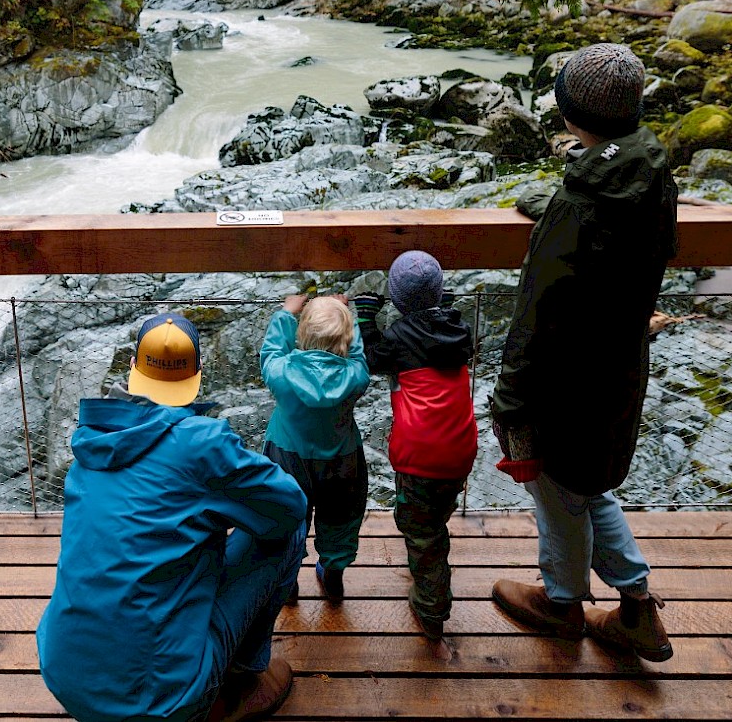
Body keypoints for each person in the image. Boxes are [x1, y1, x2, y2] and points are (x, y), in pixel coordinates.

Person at [489, 42, 681, 662]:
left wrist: (509, 398)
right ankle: (637, 607)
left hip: (567, 383)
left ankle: (562, 604)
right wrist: (555, 208)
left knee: (560, 493)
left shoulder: (583, 204)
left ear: (574, 114)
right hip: (620, 368)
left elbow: (535, 312)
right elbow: (614, 237)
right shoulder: (649, 173)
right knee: (589, 488)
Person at [37, 312, 307, 722]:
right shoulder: (201, 443)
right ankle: (241, 683)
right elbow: (289, 508)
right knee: (287, 533)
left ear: (132, 371)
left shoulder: (93, 437)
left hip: (65, 676)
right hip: (159, 702)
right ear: (197, 375)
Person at [357, 250, 478, 641]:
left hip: (420, 454)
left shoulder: (397, 340)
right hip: (460, 448)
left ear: (396, 299)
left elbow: (373, 357)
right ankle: (430, 561)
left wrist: (364, 316)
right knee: (436, 512)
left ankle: (432, 608)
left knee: (418, 528)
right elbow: (430, 328)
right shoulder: (459, 330)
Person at [259, 292, 370, 601]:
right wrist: (348, 315)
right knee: (340, 519)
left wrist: (285, 313)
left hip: (288, 458)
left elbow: (270, 350)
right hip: (341, 461)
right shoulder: (355, 377)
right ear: (346, 340)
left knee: (289, 519)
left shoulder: (281, 374)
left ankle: (289, 582)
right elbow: (359, 353)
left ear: (301, 335)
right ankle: (333, 574)